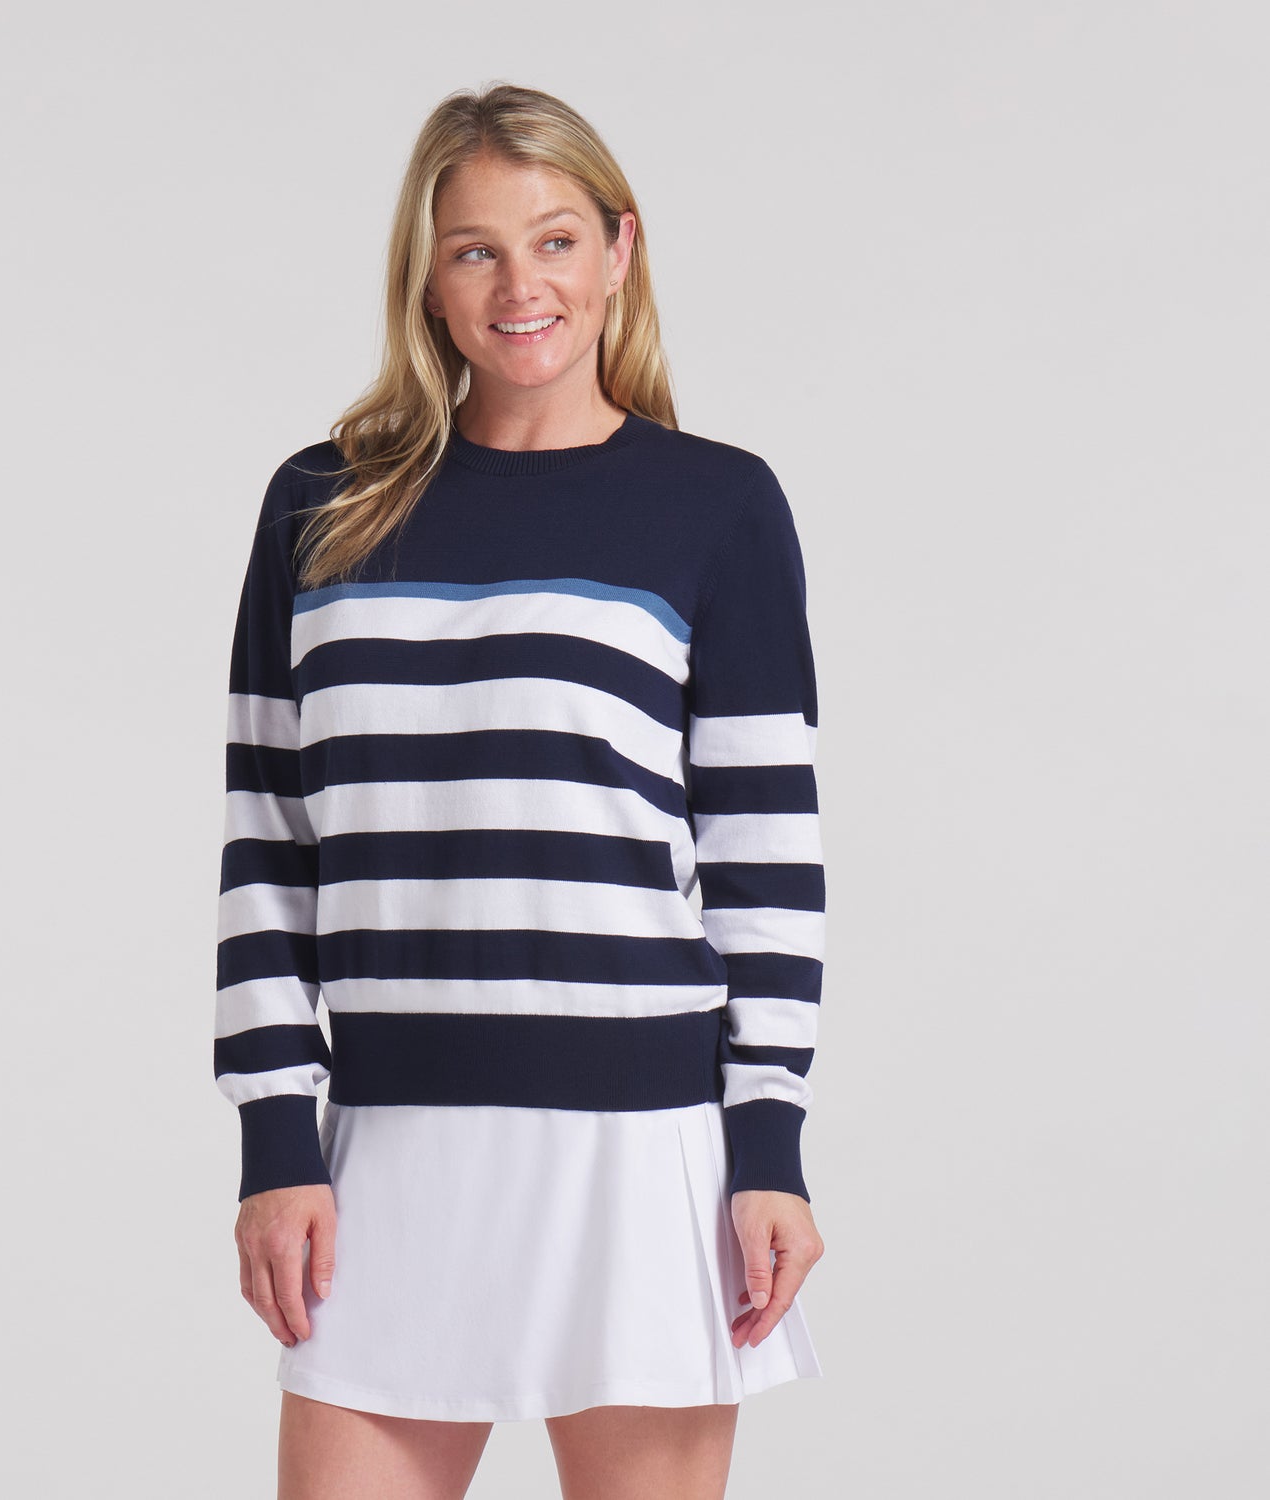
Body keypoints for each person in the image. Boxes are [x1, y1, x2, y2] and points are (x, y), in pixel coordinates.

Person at [214, 82, 828, 1500]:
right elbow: (269, 849)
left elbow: (765, 860)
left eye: (554, 241)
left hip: (639, 1156)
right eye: (475, 250)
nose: (519, 287)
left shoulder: (717, 506)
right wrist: (274, 1140)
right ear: (427, 279)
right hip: (386, 1152)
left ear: (619, 251)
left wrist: (770, 1146)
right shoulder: (321, 504)